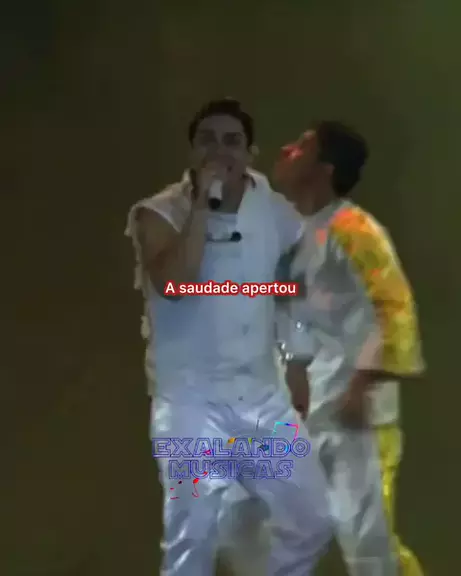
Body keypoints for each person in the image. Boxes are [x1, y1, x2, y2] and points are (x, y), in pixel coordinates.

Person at [125, 98, 332, 576]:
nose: (219, 151)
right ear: (191, 151)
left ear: (250, 153)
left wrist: (298, 361)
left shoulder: (274, 212)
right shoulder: (158, 214)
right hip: (190, 404)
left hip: (262, 400)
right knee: (192, 540)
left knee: (313, 519)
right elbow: (176, 283)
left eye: (232, 142)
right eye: (208, 141)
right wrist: (203, 204)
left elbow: (294, 285)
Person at [273, 120, 426, 576]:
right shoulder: (295, 237)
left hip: (355, 417)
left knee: (368, 546)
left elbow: (394, 306)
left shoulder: (353, 229)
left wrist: (361, 384)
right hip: (312, 410)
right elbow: (294, 315)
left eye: (302, 146)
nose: (287, 149)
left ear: (324, 168)